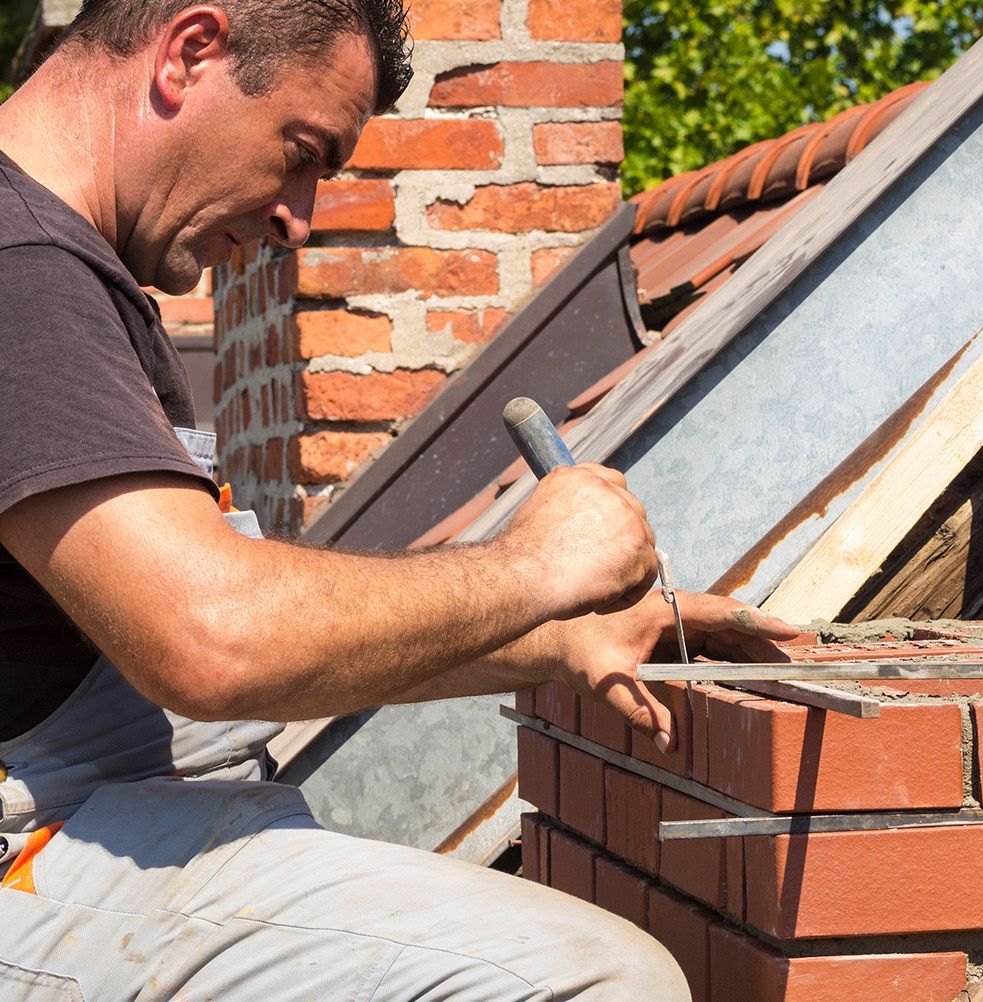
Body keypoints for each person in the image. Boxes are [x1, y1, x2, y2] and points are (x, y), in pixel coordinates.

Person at [0, 2, 798, 998]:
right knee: (600, 982)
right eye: (301, 152)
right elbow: (213, 639)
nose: (298, 213)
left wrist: (561, 644)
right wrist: (534, 567)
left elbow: (228, 632)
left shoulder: (69, 270)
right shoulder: (21, 270)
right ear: (189, 54)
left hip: (106, 819)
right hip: (35, 859)